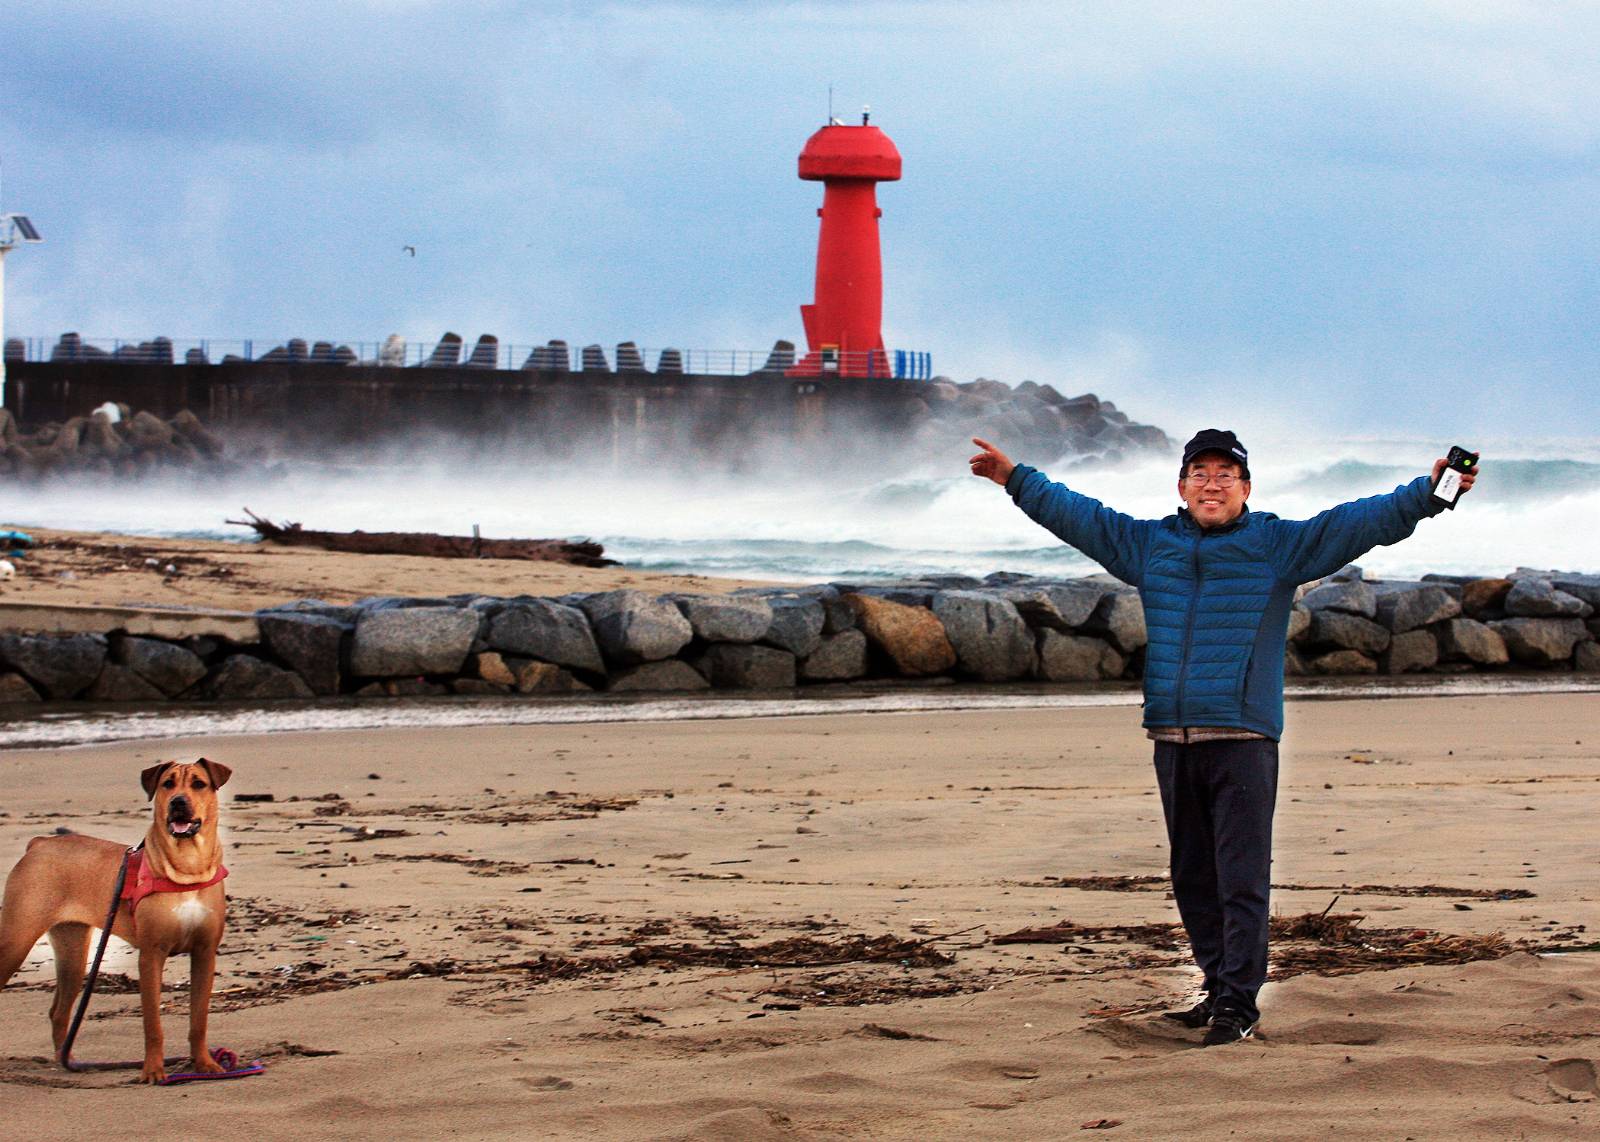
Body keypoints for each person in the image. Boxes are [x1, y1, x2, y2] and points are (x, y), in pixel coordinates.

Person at [968, 429, 1477, 1046]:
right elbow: (1082, 518)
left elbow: (1360, 522)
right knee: (1191, 875)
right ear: (1182, 487)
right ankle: (1215, 988)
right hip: (1172, 736)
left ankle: (1239, 1003)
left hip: (1242, 734)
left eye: (1224, 475)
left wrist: (1430, 492)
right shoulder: (1150, 544)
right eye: (1200, 474)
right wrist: (1015, 477)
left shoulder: (1277, 546)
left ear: (1246, 488)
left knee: (1239, 876)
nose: (1212, 484)